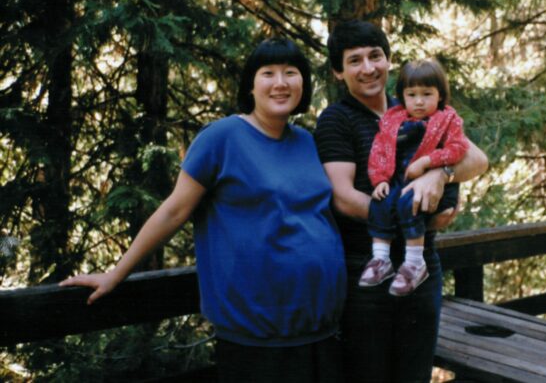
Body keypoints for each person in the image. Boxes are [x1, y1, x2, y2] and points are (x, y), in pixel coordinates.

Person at [61, 38, 347, 383]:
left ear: (304, 83)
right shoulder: (222, 137)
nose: (281, 82)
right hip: (257, 336)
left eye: (291, 72)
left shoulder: (306, 141)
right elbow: (174, 211)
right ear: (251, 86)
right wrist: (116, 274)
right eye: (268, 73)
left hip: (321, 330)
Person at [314, 20, 488, 383]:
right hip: (365, 273)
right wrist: (414, 220)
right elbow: (344, 199)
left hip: (423, 268)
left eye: (375, 56)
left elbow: (477, 160)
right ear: (337, 71)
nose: (368, 68)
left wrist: (438, 174)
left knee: (414, 374)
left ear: (388, 59)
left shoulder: (414, 105)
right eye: (354, 60)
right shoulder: (336, 120)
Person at [361, 59, 469, 297]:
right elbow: (379, 149)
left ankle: (414, 263)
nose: (419, 101)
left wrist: (428, 162)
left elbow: (458, 148)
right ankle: (380, 259)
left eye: (427, 94)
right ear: (402, 96)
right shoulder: (393, 120)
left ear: (440, 95)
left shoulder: (447, 118)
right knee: (381, 202)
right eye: (412, 94)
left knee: (410, 202)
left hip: (434, 182)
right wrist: (379, 179)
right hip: (398, 178)